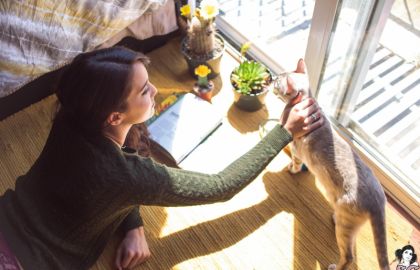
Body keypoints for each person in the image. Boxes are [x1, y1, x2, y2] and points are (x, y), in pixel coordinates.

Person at [0, 47, 323, 270]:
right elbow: (222, 186)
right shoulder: (128, 176)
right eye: (143, 91)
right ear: (114, 117)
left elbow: (108, 191)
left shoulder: (70, 115)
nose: (155, 89)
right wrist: (284, 131)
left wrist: (133, 222)